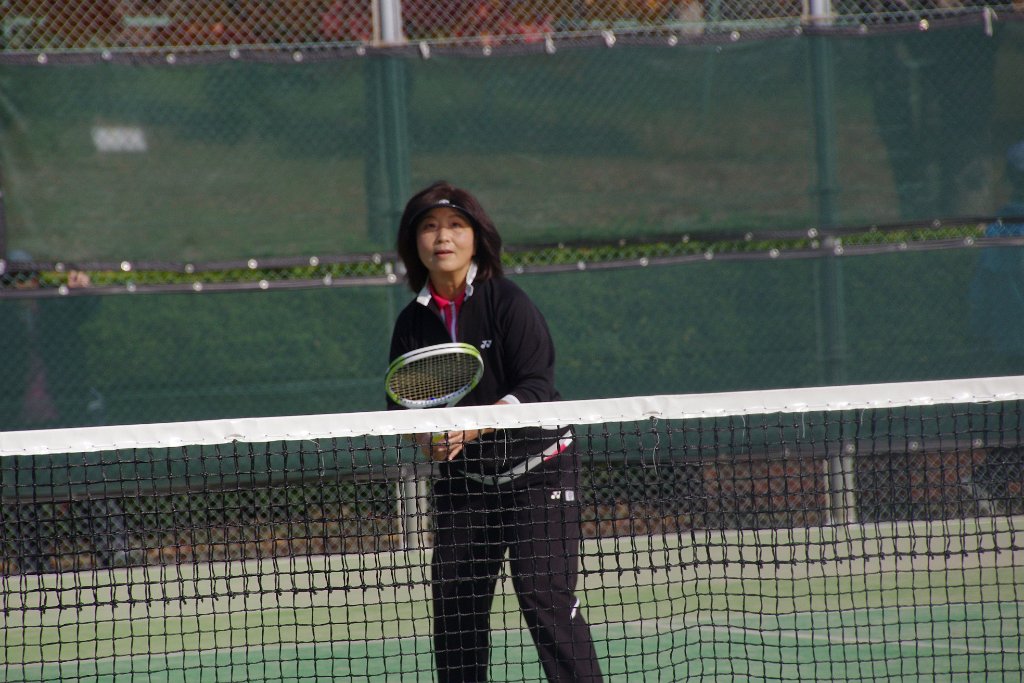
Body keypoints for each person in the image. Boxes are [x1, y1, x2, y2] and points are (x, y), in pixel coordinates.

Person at [388, 181, 604, 682]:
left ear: (476, 238)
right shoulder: (411, 323)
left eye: (455, 226)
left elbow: (536, 385)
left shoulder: (507, 301)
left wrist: (470, 426)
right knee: (455, 608)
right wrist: (427, 440)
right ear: (415, 242)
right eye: (429, 227)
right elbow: (401, 406)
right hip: (468, 482)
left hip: (540, 469)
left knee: (542, 592)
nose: (443, 237)